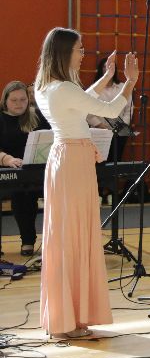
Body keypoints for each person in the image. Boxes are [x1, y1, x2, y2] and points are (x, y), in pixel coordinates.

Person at [33, 28, 137, 338]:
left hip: (64, 159)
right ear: (65, 51)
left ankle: (66, 316)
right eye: (79, 49)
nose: (83, 54)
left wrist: (106, 78)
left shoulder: (47, 86)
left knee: (67, 234)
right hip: (73, 162)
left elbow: (82, 101)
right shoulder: (64, 88)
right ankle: (69, 319)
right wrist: (129, 82)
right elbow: (110, 110)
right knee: (75, 235)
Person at [0, 80, 50, 256]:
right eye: (14, 100)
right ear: (5, 100)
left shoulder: (37, 116)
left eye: (23, 99)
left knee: (28, 195)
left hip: (33, 170)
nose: (19, 104)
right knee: (20, 195)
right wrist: (7, 159)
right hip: (6, 169)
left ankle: (29, 241)